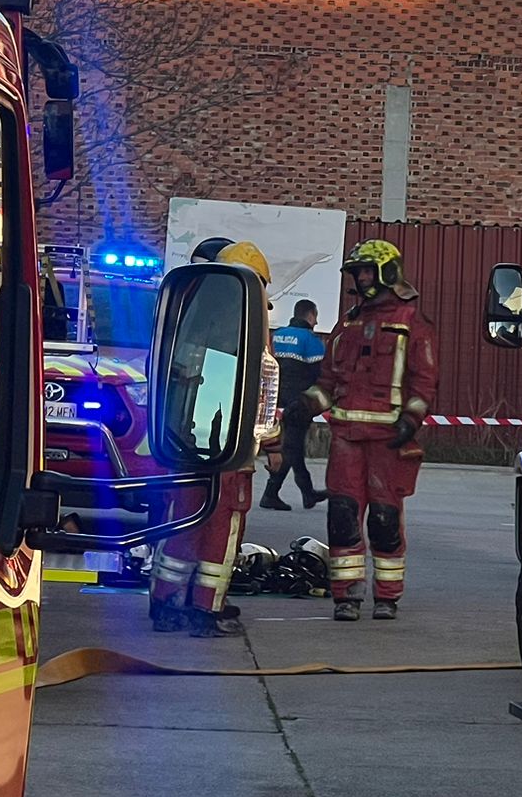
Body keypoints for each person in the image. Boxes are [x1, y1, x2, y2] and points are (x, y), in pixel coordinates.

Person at [295, 240, 437, 622]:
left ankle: (387, 596)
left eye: (366, 271)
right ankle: (347, 595)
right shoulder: (349, 323)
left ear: (388, 272)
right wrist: (305, 405)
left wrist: (411, 421)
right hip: (346, 439)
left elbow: (424, 383)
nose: (360, 278)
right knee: (342, 517)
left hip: (388, 441)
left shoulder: (410, 321)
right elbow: (328, 382)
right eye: (356, 272)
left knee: (384, 520)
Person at [149, 237, 269, 636]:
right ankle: (205, 610)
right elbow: (262, 393)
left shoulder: (192, 320)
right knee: (221, 531)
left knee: (181, 524)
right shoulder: (249, 330)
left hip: (187, 444)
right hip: (231, 449)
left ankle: (166, 603)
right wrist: (268, 436)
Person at [262, 298, 328, 511]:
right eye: (315, 317)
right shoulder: (311, 341)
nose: (316, 322)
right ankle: (271, 493)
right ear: (310, 315)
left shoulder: (277, 335)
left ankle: (307, 492)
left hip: (273, 402)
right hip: (297, 403)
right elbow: (321, 374)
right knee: (291, 448)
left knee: (292, 448)